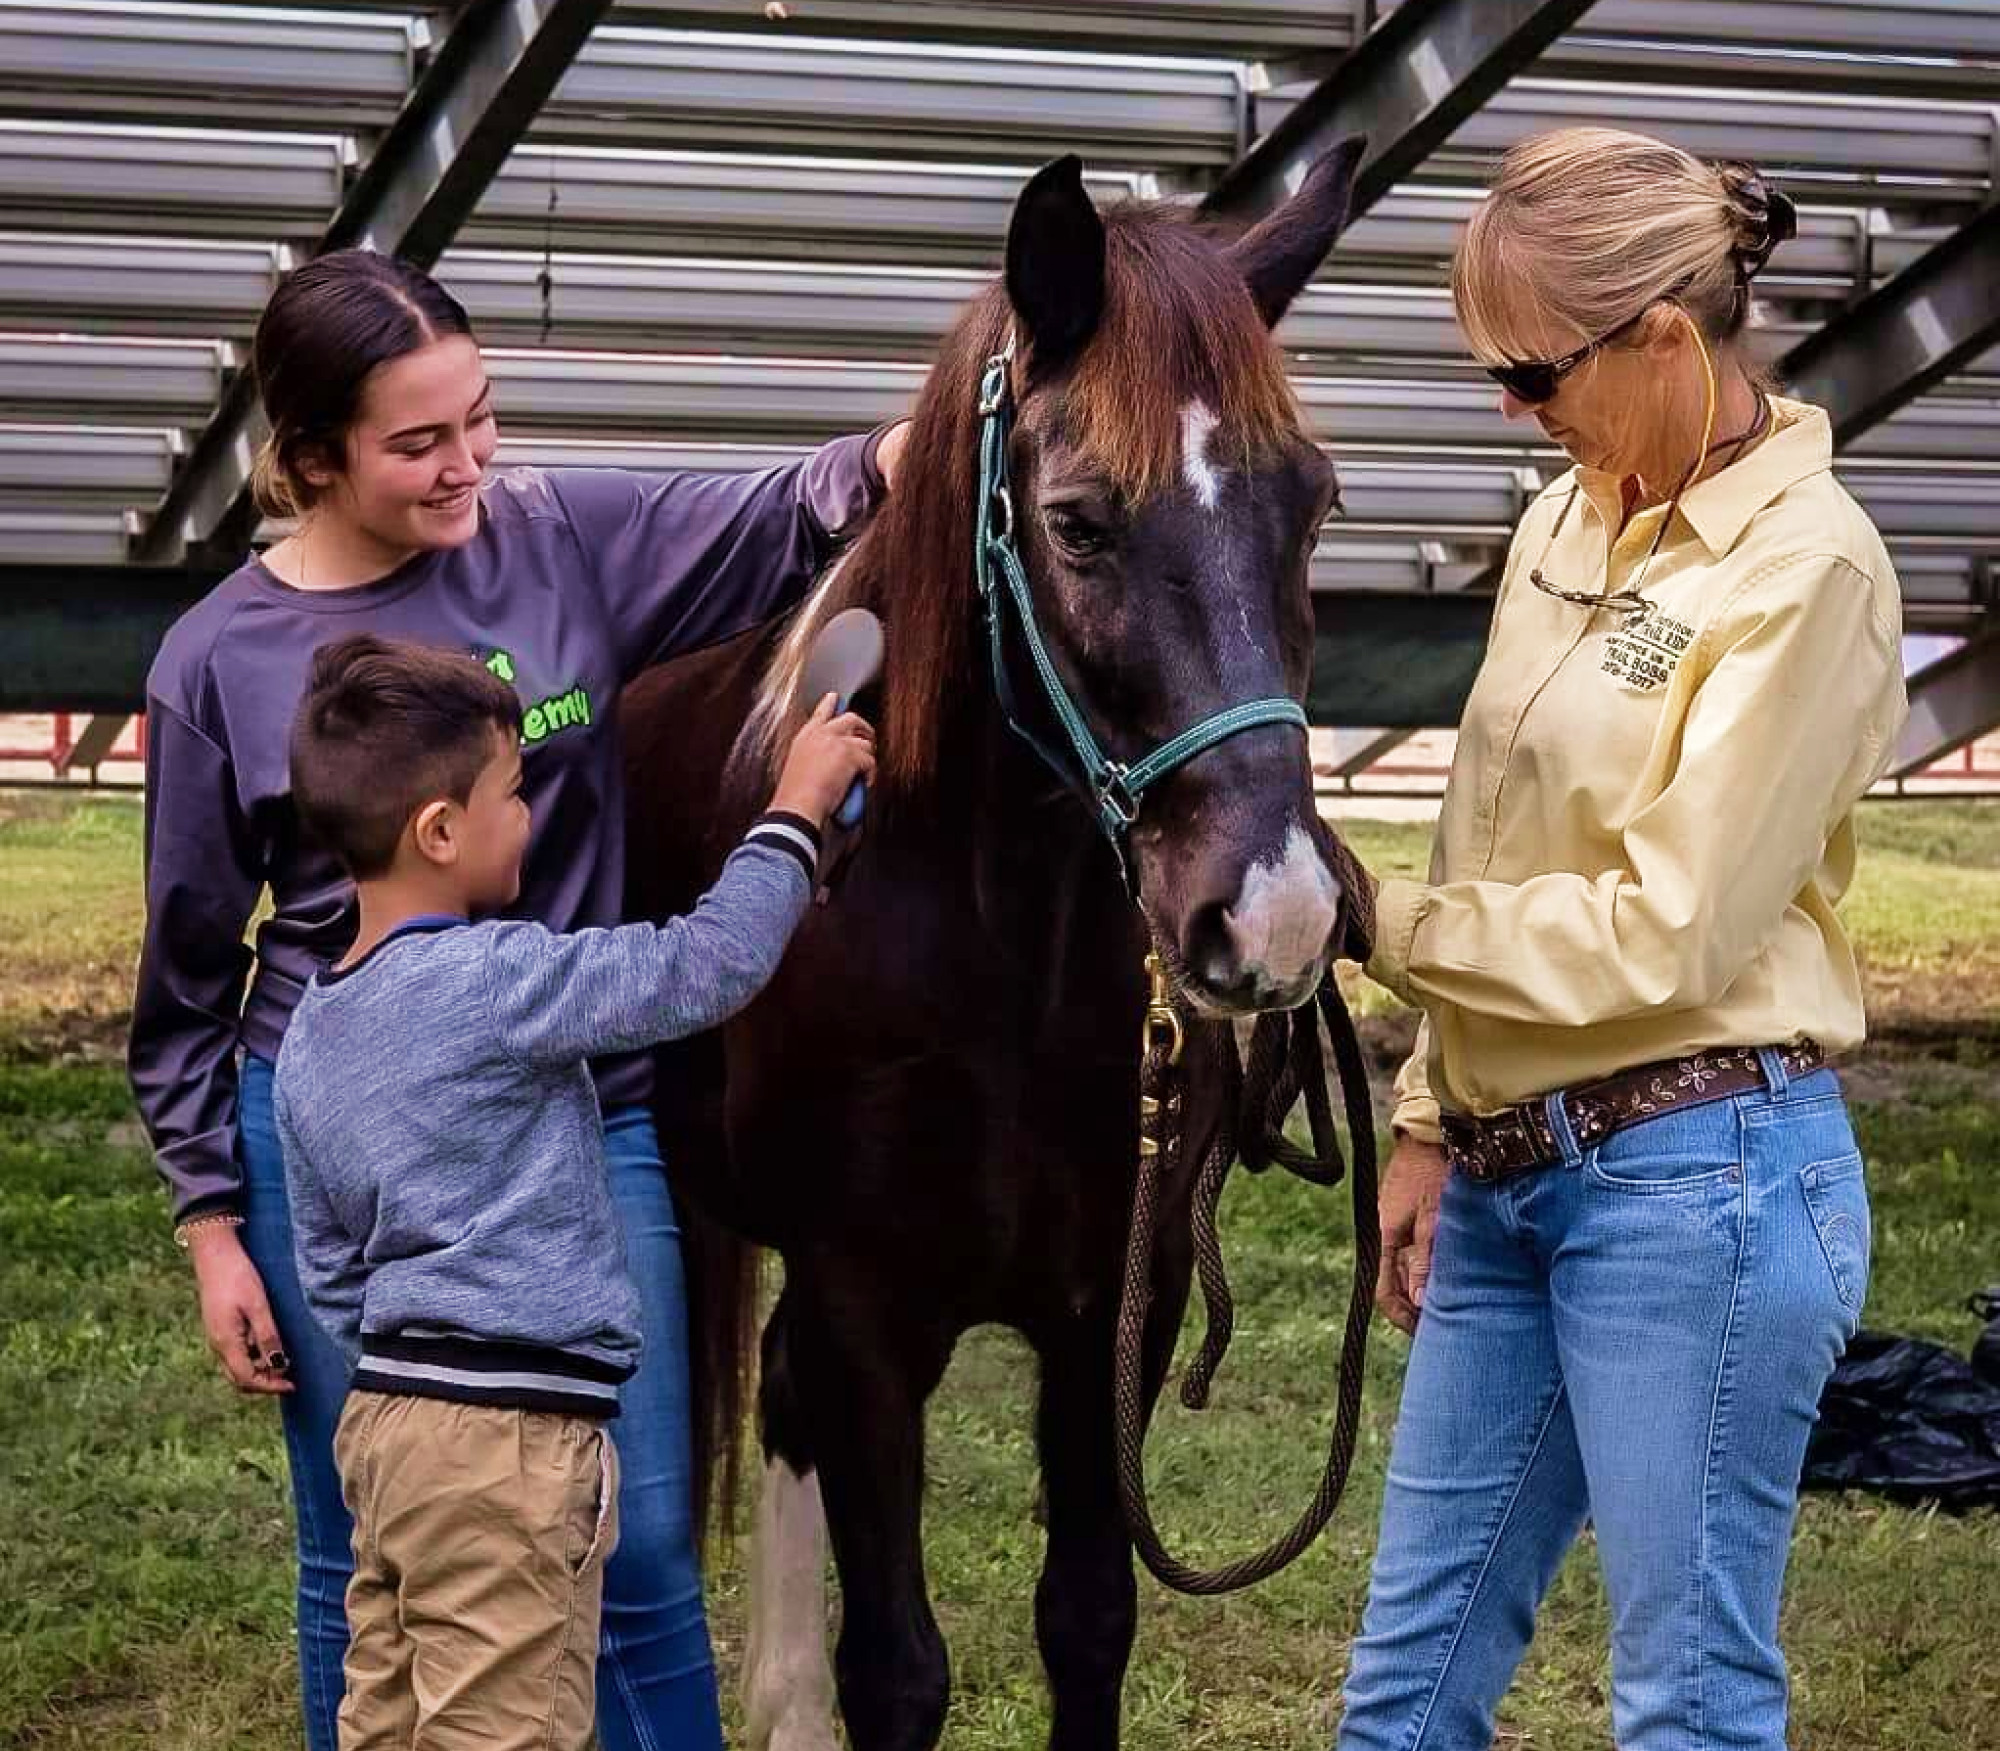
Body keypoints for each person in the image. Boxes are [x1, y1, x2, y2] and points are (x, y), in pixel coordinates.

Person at [126, 246, 906, 1751]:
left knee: (641, 1542)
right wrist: (218, 1221)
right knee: (372, 1540)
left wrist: (952, 415)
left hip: (583, 1112)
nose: (467, 461)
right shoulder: (213, 659)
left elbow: (803, 498)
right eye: (418, 442)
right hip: (345, 1133)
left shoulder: (558, 537)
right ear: (307, 461)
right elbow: (187, 971)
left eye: (479, 416)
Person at [1338, 128, 1909, 1751]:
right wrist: (1433, 1120)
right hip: (1517, 1176)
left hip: (1700, 1180)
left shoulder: (1812, 572)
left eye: (1530, 376)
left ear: (1665, 339)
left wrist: (1376, 923)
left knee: (1686, 1702)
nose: (1512, 412)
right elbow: (1497, 828)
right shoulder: (1566, 521)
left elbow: (1666, 928)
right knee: (1404, 1693)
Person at [273, 634, 872, 1750]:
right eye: (513, 791)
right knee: (512, 1725)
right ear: (439, 831)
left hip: (388, 1428)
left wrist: (411, 1383)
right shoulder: (496, 981)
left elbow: (326, 1259)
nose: (530, 816)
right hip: (511, 1440)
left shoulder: (312, 1026)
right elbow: (702, 964)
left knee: (393, 1719)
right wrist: (793, 809)